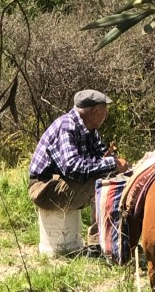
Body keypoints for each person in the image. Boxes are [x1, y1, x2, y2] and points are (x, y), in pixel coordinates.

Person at [29, 88, 130, 256]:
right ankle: (96, 245)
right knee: (101, 184)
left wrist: (118, 166)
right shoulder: (67, 126)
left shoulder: (90, 130)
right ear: (95, 111)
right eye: (105, 111)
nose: (106, 115)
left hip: (61, 183)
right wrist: (112, 163)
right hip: (44, 188)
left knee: (115, 179)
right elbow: (73, 168)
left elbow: (101, 157)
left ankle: (117, 239)